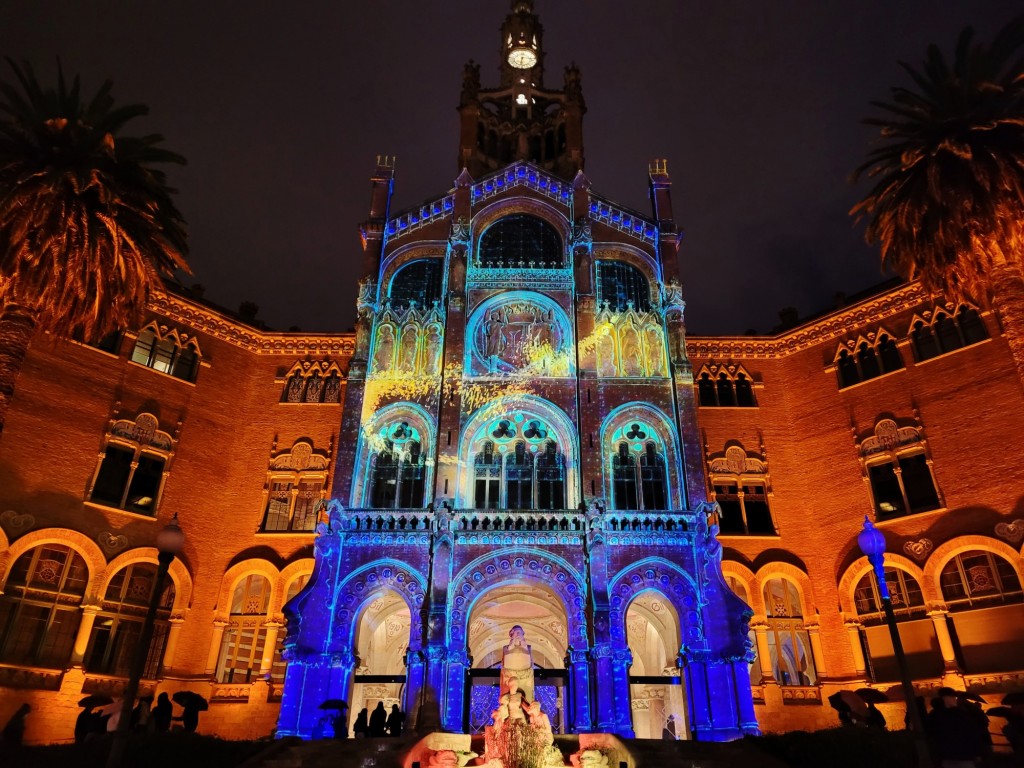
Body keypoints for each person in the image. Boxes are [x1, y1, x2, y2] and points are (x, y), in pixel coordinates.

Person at [926, 688, 984, 768]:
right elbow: (972, 733)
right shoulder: (961, 714)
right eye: (954, 697)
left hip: (946, 755)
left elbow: (931, 734)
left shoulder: (934, 715)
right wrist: (977, 753)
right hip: (964, 755)